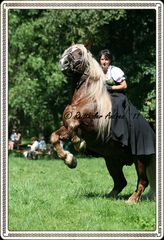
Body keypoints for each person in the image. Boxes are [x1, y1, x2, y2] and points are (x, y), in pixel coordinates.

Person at [98, 49, 155, 155]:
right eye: (102, 59)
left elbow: (124, 85)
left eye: (106, 59)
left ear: (110, 60)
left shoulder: (114, 70)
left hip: (117, 96)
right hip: (104, 96)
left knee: (115, 105)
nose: (104, 62)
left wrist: (111, 87)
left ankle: (119, 135)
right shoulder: (98, 72)